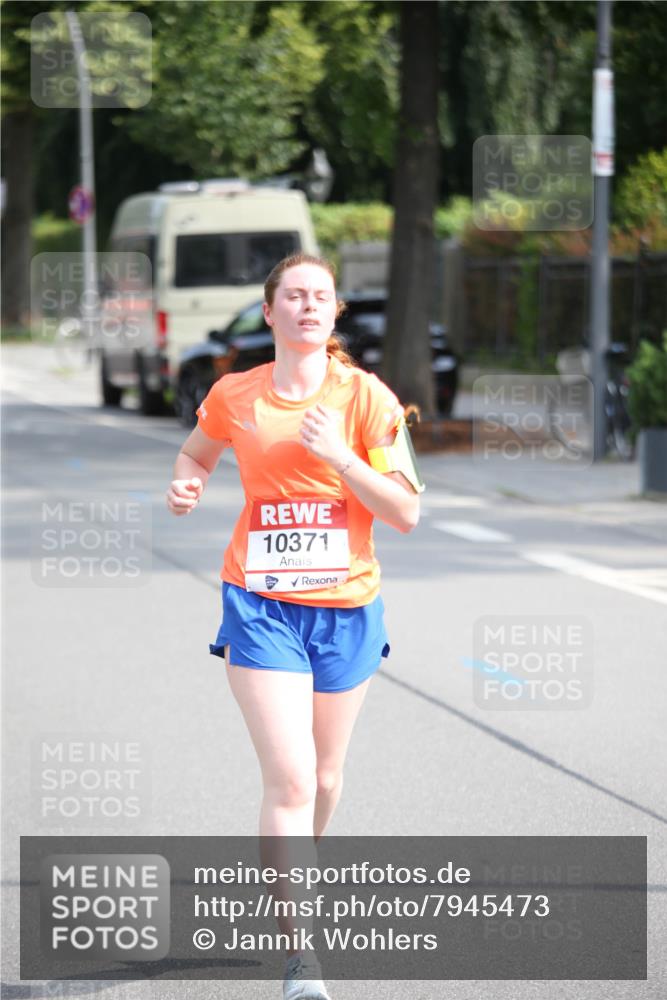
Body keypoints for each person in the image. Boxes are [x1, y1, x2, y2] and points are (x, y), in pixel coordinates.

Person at [166, 253, 423, 1000]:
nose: (309, 306)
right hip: (259, 604)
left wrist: (340, 457)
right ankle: (300, 958)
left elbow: (405, 512)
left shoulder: (370, 398)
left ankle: (288, 873)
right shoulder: (234, 394)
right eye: (294, 296)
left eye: (321, 297)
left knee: (326, 778)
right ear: (271, 311)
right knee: (291, 776)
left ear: (334, 313)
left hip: (346, 610)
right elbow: (196, 451)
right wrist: (186, 481)